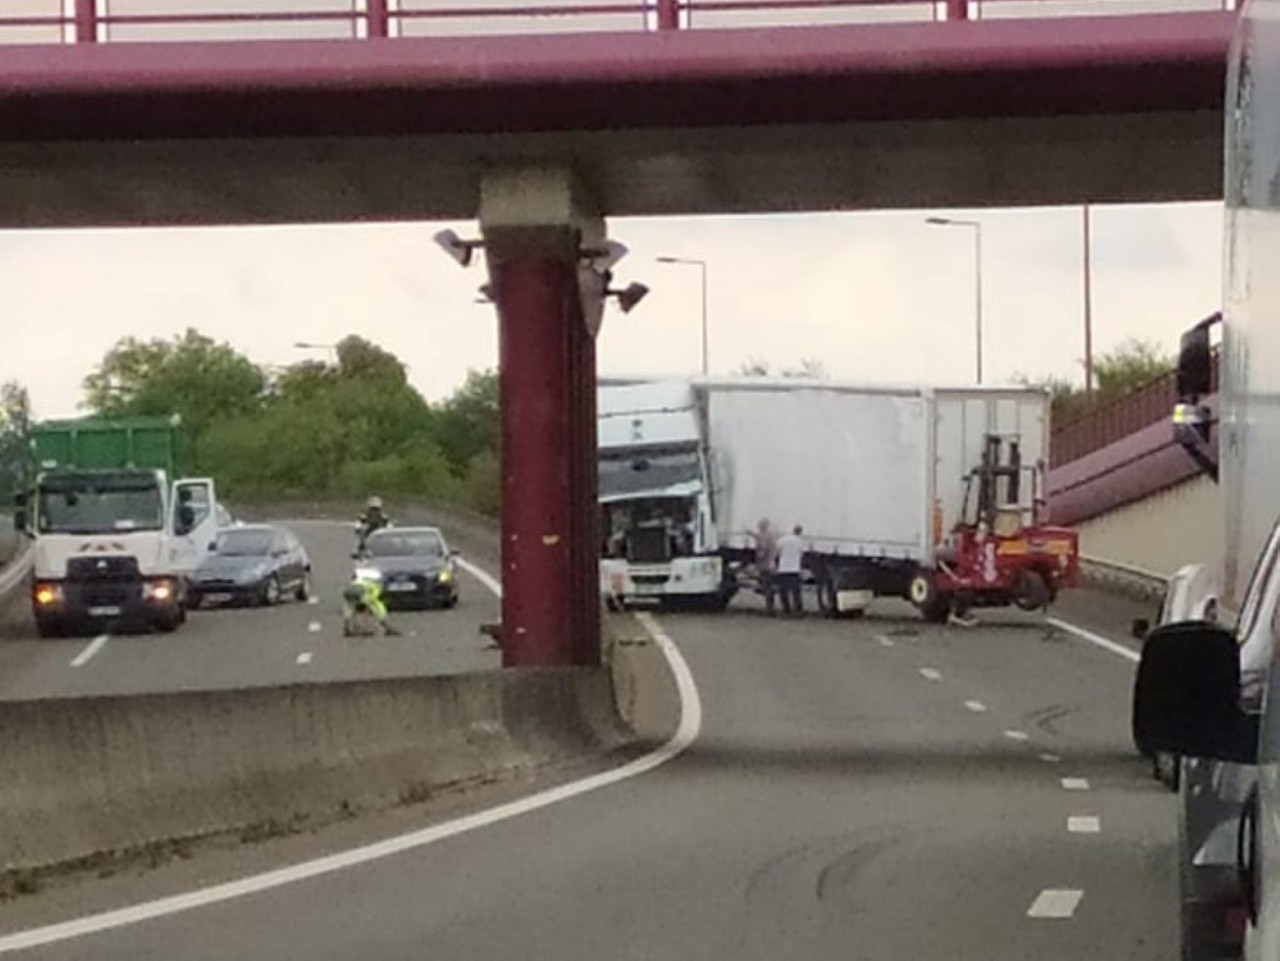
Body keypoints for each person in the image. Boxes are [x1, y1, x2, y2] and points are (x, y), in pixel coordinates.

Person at [775, 524, 807, 616]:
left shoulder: (783, 540)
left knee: (783, 591)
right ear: (800, 532)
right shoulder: (800, 542)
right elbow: (802, 554)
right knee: (795, 592)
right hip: (794, 569)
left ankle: (786, 609)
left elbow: (777, 552)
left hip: (783, 568)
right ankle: (798, 610)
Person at [751, 518, 779, 615]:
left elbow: (763, 549)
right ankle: (770, 608)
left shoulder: (764, 536)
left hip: (765, 564)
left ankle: (769, 609)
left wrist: (759, 555)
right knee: (768, 586)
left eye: (760, 525)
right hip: (769, 563)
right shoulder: (770, 535)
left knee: (767, 586)